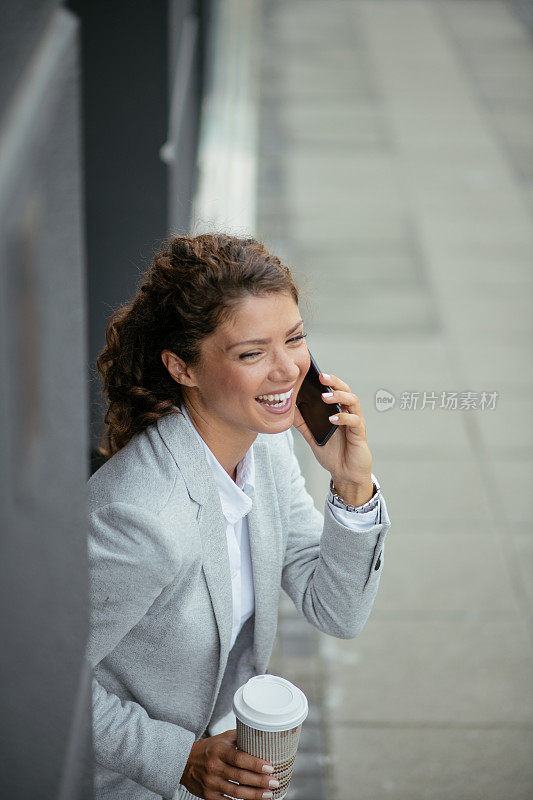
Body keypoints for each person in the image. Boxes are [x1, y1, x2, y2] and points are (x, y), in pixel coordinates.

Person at [88, 233, 391, 800]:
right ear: (183, 368)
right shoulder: (140, 521)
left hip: (223, 754)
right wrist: (179, 758)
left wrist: (352, 485)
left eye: (295, 340)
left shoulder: (264, 446)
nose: (287, 371)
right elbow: (37, 679)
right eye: (252, 353)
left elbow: (336, 609)